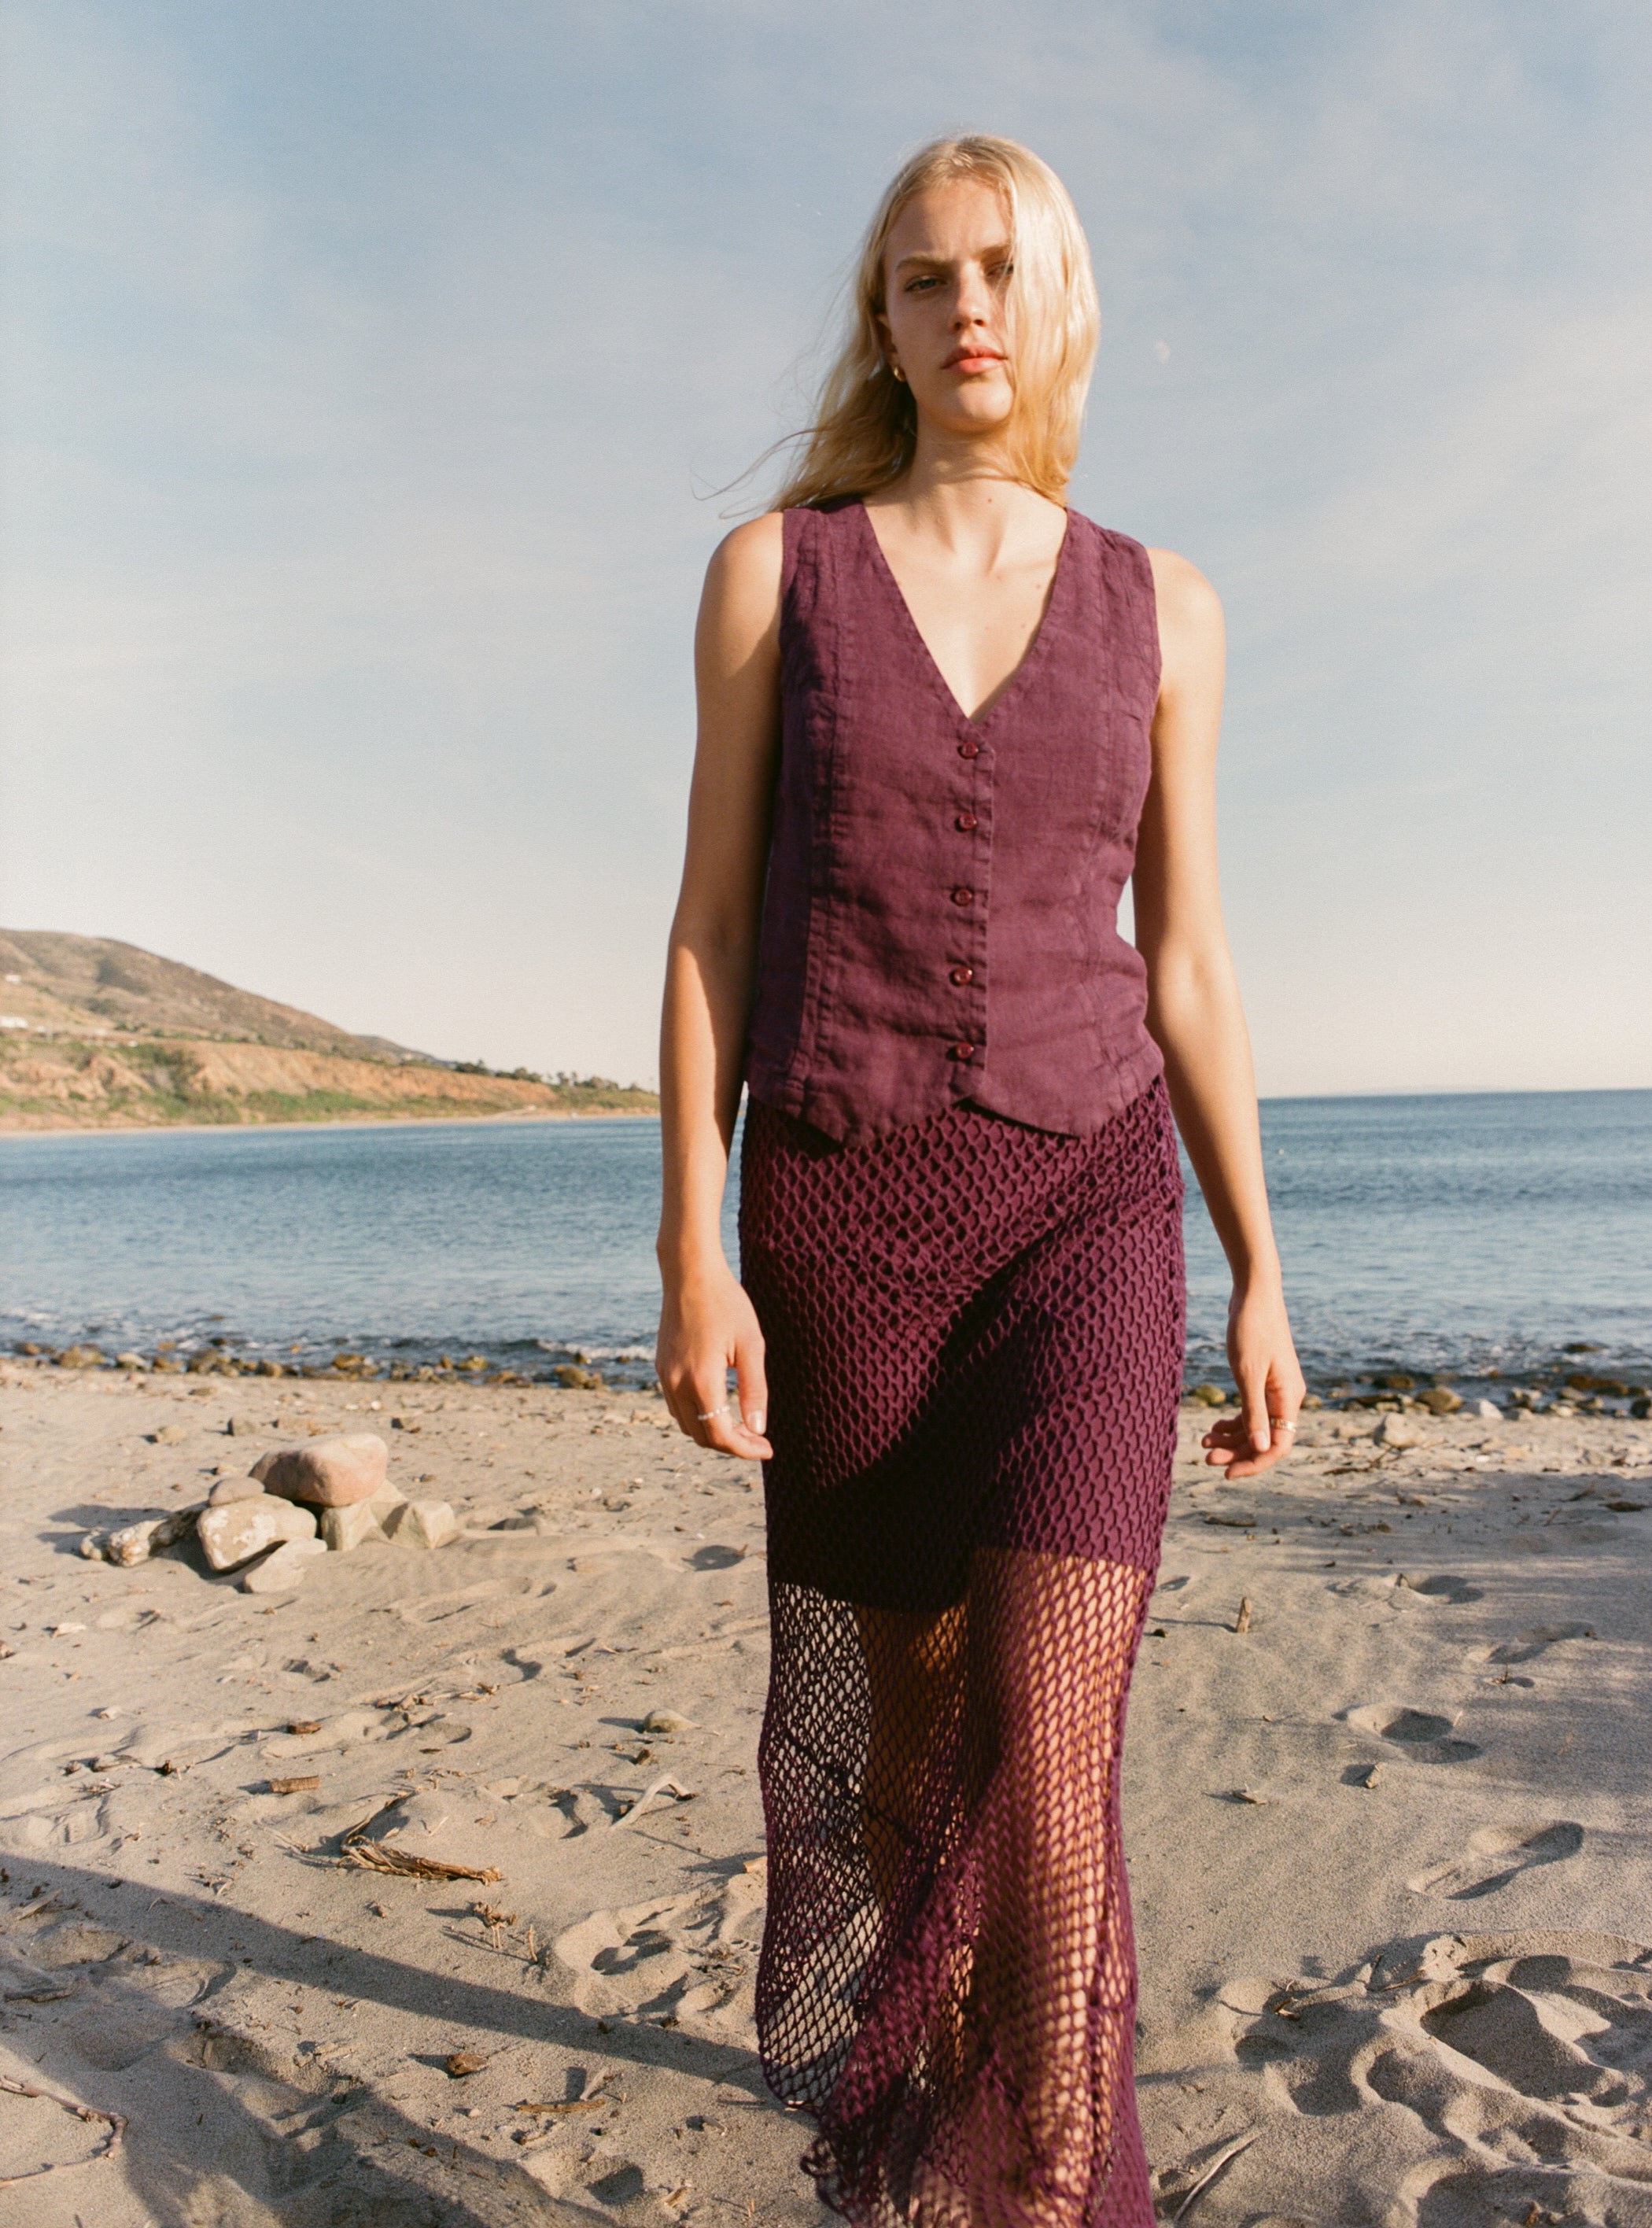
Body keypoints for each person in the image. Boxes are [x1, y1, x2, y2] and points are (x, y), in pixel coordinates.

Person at [655, 133, 1304, 2228]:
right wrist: (690, 1247)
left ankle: (1044, 2183)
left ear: (1061, 306)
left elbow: (1188, 958)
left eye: (1003, 272)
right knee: (908, 1747)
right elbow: (705, 936)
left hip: (1084, 1207)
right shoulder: (778, 576)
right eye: (924, 278)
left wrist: (1259, 1271)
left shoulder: (1166, 605)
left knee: (1048, 1743)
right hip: (840, 1214)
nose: (965, 311)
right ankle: (922, 2124)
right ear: (886, 317)